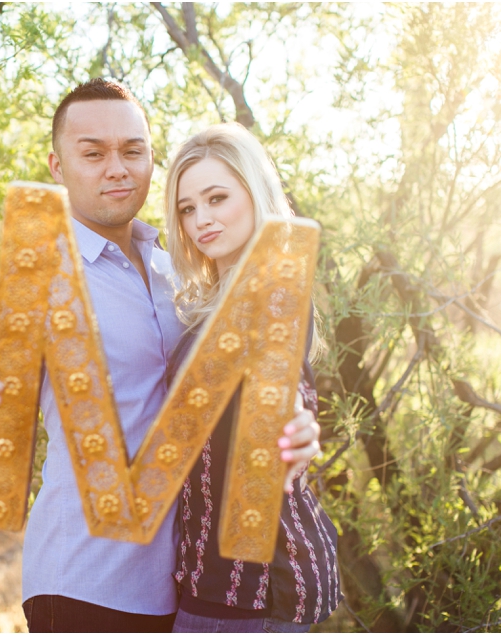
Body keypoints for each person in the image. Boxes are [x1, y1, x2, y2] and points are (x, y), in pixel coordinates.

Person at [0, 79, 322, 633]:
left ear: (151, 158)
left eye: (132, 150)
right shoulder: (41, 274)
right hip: (84, 582)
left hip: (178, 584)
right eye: (93, 153)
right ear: (58, 165)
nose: (117, 168)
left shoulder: (178, 269)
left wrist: (292, 417)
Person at [163, 123, 341, 633]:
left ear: (255, 194)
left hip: (251, 590)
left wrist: (296, 426)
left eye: (218, 198)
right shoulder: (210, 306)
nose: (203, 219)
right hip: (213, 580)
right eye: (188, 208)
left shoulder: (273, 295)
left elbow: (285, 387)